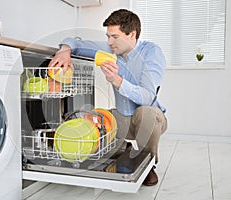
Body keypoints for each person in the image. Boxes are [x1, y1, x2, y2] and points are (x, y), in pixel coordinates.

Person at [49, 9, 167, 186]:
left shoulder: (151, 52)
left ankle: (147, 164)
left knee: (146, 112)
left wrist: (118, 81)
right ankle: (123, 148)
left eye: (115, 37)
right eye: (108, 36)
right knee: (95, 118)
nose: (109, 42)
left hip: (149, 119)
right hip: (122, 118)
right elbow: (77, 44)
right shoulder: (112, 50)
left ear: (132, 34)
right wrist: (65, 51)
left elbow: (148, 96)